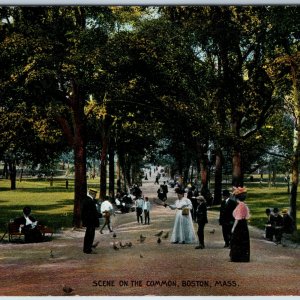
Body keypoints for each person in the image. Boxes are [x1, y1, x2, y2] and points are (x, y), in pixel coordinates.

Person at [230, 186, 250, 262]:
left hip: (239, 225)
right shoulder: (243, 204)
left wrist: (233, 228)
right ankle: (242, 256)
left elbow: (237, 218)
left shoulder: (240, 205)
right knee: (242, 240)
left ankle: (238, 257)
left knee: (237, 240)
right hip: (244, 224)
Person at [81, 189, 100, 254]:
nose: (95, 196)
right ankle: (88, 249)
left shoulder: (87, 200)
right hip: (91, 221)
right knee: (90, 235)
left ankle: (87, 247)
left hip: (88, 220)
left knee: (88, 235)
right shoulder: (90, 201)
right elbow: (92, 212)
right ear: (93, 194)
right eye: (95, 194)